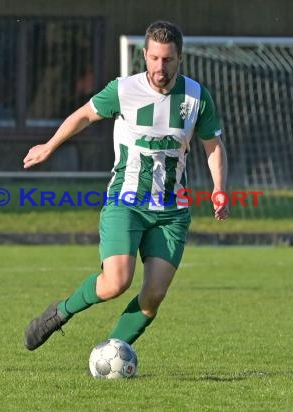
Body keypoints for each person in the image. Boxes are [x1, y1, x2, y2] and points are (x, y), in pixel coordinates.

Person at [21, 20, 229, 351]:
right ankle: (58, 314)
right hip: (126, 201)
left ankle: (113, 350)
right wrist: (49, 146)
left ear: (180, 58)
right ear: (145, 55)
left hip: (171, 210)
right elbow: (84, 115)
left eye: (168, 60)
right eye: (155, 58)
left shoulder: (196, 96)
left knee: (154, 295)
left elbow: (212, 145)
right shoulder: (123, 89)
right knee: (116, 282)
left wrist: (219, 188)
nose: (160, 67)